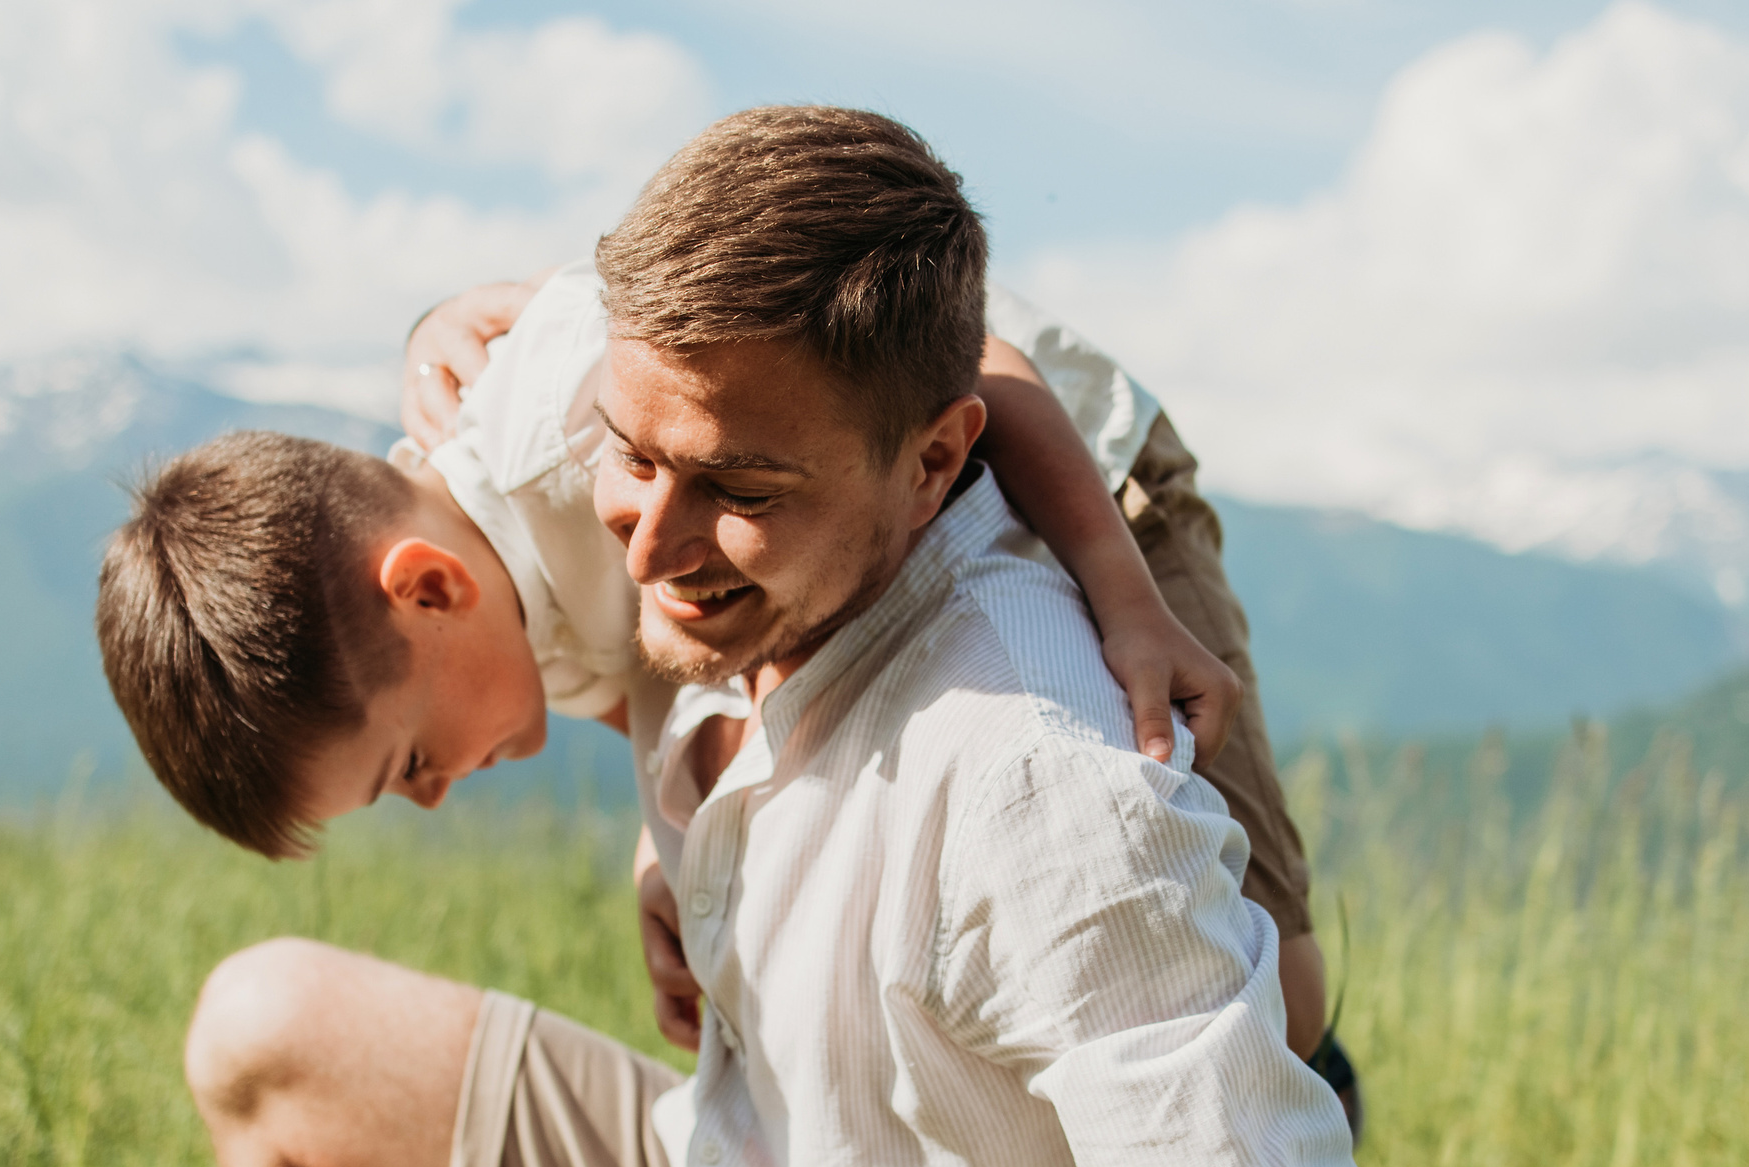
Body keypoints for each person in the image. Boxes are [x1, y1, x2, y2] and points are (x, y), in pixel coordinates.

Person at [97, 106, 1464, 1167]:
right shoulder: (640, 490)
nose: (658, 541)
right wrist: (674, 836)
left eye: (735, 485)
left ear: (931, 462)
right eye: (634, 457)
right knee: (259, 1016)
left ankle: (1238, 1068)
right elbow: (659, 570)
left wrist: (1124, 596)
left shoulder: (1035, 773)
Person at [399, 266, 1358, 1106]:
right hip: (849, 547)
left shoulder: (544, 397)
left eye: (401, 763)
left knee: (1278, 1003)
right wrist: (669, 842)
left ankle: (1301, 1133)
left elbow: (982, 365)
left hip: (1085, 480)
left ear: (423, 595)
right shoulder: (527, 646)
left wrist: (1129, 599)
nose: (430, 793)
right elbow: (687, 698)